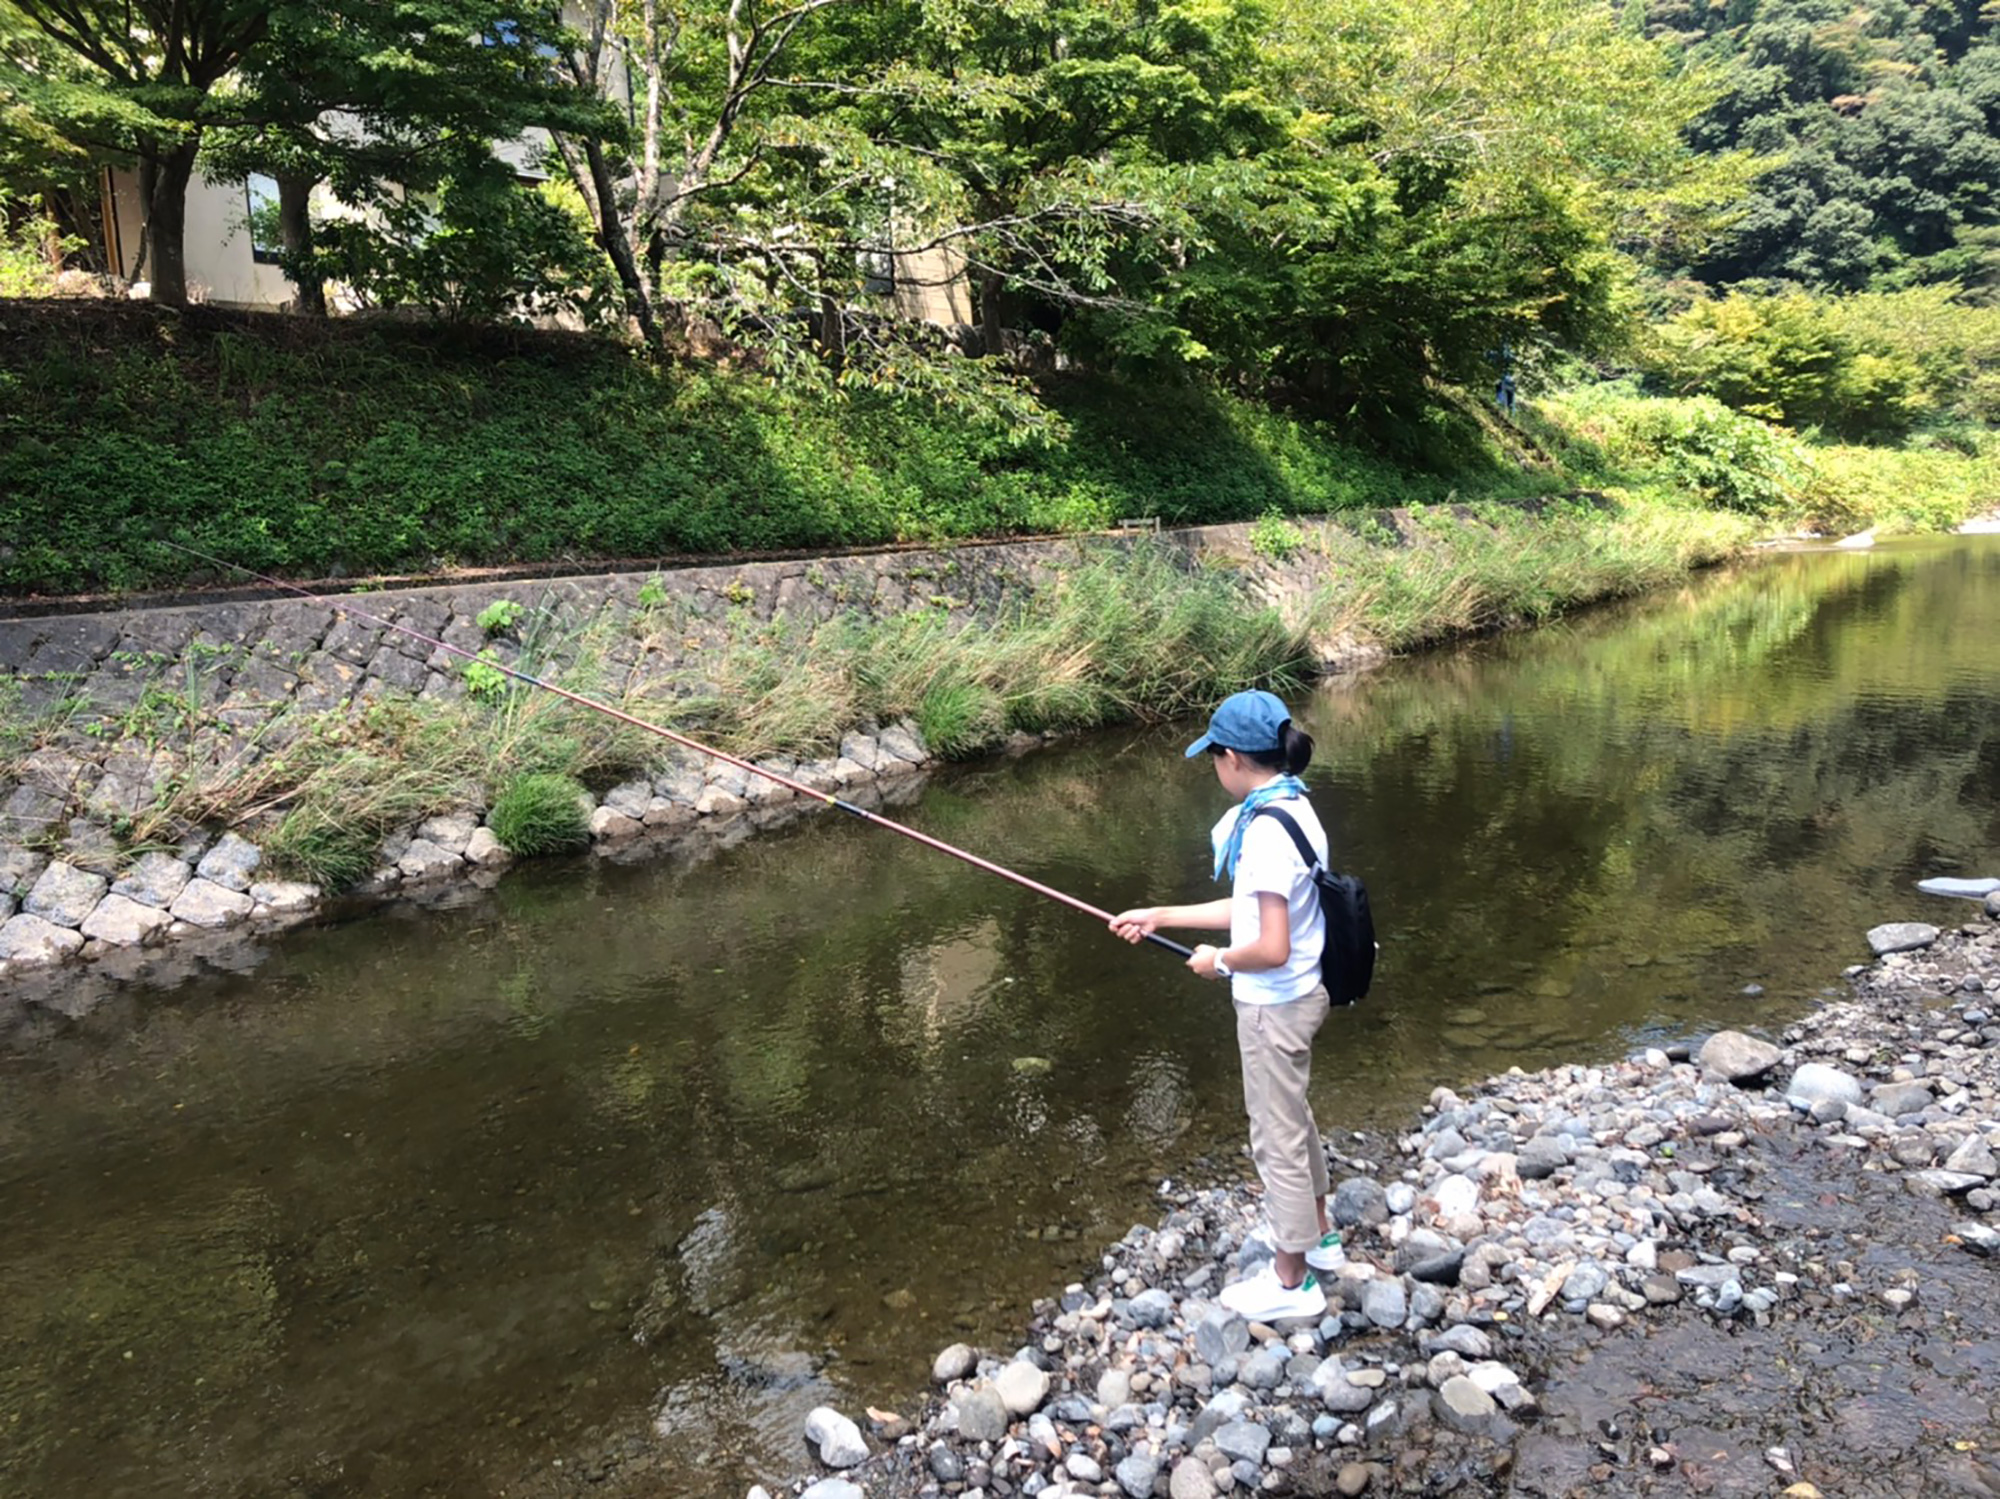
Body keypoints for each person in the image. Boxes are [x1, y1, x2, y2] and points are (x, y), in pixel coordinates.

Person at [1110, 689, 1344, 1322]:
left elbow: (1267, 945)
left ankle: (1291, 1282)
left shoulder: (1265, 831)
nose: (1213, 769)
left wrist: (1219, 960)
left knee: (1276, 1138)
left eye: (1214, 757)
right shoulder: (1292, 806)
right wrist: (1161, 914)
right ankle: (1320, 1239)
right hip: (1302, 993)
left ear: (1235, 758)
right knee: (1292, 1117)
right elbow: (1250, 909)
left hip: (1276, 1002)